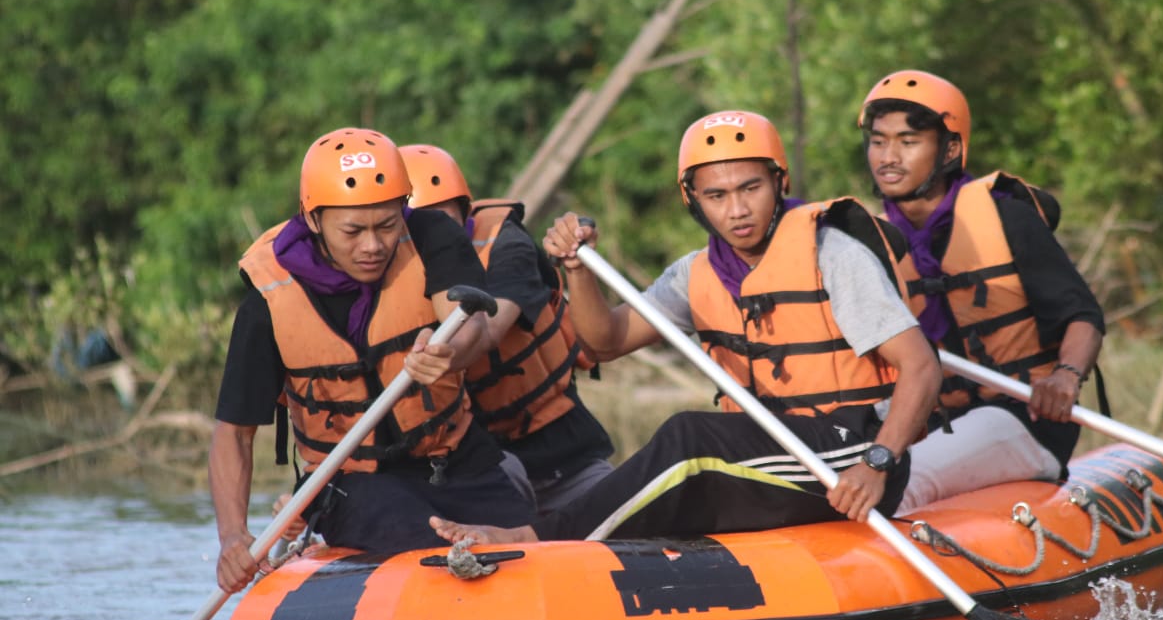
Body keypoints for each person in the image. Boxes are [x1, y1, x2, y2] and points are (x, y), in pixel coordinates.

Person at [428, 110, 941, 544]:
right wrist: (578, 270)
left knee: (689, 434)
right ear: (692, 199)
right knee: (677, 483)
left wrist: (877, 463)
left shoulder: (832, 253)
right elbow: (605, 343)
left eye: (751, 188)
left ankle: (541, 537)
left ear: (780, 182)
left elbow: (920, 366)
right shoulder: (695, 274)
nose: (737, 210)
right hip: (771, 453)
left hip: (847, 456)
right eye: (716, 195)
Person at [209, 128, 535, 594]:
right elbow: (234, 433)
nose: (373, 246)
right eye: (353, 231)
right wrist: (233, 537)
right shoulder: (268, 299)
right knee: (436, 555)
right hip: (354, 483)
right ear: (315, 220)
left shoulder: (431, 235)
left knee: (531, 554)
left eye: (386, 225)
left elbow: (470, 326)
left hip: (458, 462)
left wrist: (446, 354)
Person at [857, 70, 1105, 513]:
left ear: (950, 149)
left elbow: (1082, 315)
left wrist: (1065, 376)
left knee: (895, 482)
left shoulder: (1006, 217)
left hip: (1023, 417)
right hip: (929, 423)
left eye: (908, 142)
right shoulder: (870, 241)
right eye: (878, 142)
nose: (888, 157)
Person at [399, 143, 616, 516]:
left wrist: (446, 352)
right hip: (472, 464)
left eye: (443, 225)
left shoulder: (507, 245)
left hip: (562, 451)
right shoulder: (381, 282)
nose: (436, 242)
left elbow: (490, 328)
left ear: (465, 214)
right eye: (421, 230)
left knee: (609, 508)